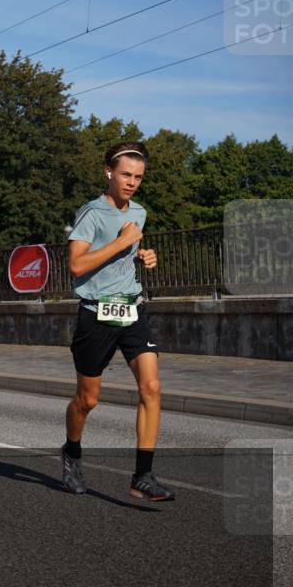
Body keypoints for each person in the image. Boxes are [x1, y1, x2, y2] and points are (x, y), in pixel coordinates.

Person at [61, 141, 173, 501]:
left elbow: (125, 253)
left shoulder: (139, 212)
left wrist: (143, 255)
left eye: (138, 177)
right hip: (96, 313)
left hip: (132, 308)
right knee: (88, 399)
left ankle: (143, 476)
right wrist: (123, 241)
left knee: (152, 387)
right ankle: (72, 451)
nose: (131, 182)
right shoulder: (91, 213)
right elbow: (76, 265)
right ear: (108, 172)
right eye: (126, 175)